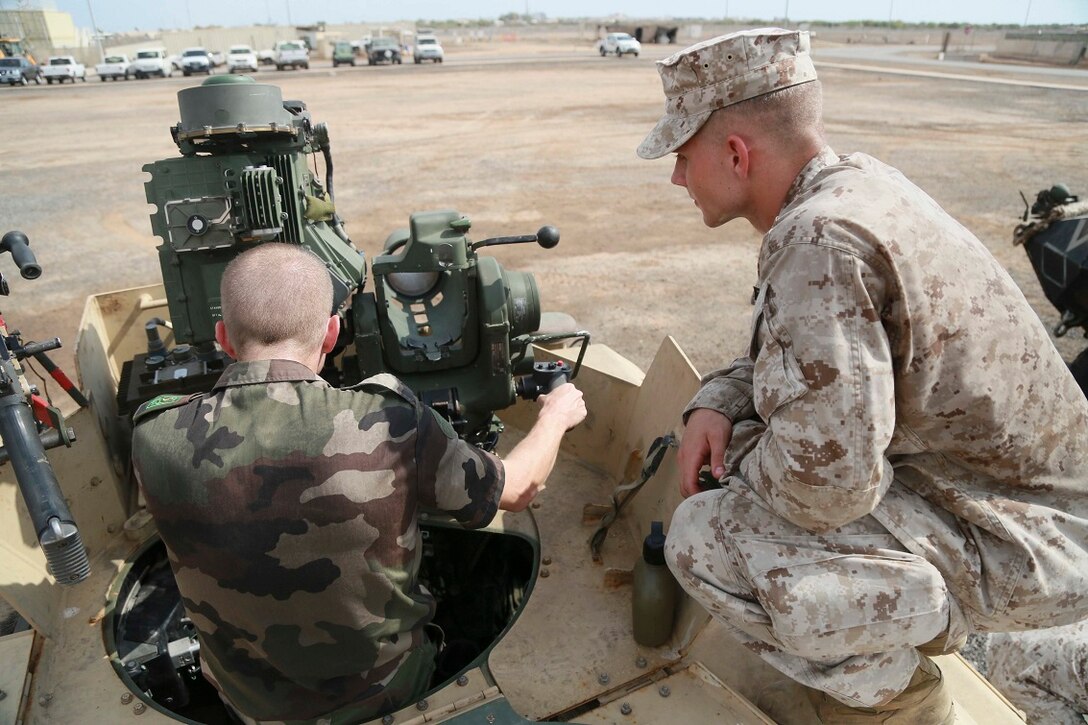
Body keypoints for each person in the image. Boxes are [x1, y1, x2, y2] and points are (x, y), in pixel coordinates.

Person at [637, 27, 1088, 722]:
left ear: (735, 154)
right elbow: (800, 364)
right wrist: (719, 402)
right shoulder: (854, 190)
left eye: (683, 155)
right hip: (1029, 510)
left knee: (704, 537)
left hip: (1025, 545)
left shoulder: (818, 239)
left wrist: (742, 463)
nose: (675, 177)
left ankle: (909, 706)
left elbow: (829, 490)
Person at [130, 243, 586, 724]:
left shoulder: (155, 437)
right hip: (389, 698)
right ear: (331, 333)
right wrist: (555, 418)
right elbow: (514, 491)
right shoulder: (389, 421)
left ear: (223, 337)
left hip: (248, 706)